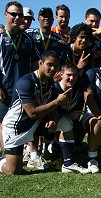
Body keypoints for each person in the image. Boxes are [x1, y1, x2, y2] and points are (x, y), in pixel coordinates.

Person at [0, 50, 71, 175]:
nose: (53, 68)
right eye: (49, 64)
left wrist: (53, 120)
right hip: (16, 126)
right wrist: (57, 102)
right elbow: (32, 113)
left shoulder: (50, 83)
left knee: (66, 123)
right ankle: (2, 160)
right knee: (13, 171)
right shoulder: (26, 82)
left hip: (35, 123)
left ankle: (69, 161)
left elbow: (52, 108)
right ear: (40, 63)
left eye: (56, 66)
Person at [0, 1, 39, 151]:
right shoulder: (1, 39)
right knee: (4, 122)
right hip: (5, 87)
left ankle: (29, 153)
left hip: (23, 90)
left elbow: (35, 64)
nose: (17, 17)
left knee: (26, 120)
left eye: (20, 15)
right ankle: (6, 152)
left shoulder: (28, 40)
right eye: (13, 14)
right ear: (5, 15)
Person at [53, 62, 90, 173]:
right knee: (66, 121)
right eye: (68, 75)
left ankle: (67, 157)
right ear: (61, 75)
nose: (71, 78)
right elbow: (48, 113)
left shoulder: (77, 89)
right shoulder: (53, 89)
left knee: (71, 123)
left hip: (67, 125)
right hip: (48, 123)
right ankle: (67, 162)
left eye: (74, 75)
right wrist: (68, 115)